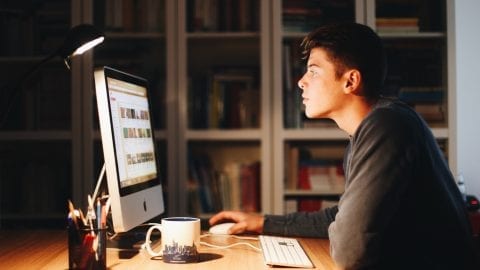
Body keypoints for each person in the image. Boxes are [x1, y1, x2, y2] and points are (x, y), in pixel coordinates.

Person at [209, 22, 479, 269]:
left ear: (350, 81)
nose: (301, 82)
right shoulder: (372, 129)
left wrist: (344, 229)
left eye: (313, 71)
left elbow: (351, 250)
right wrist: (264, 223)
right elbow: (340, 218)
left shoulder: (386, 126)